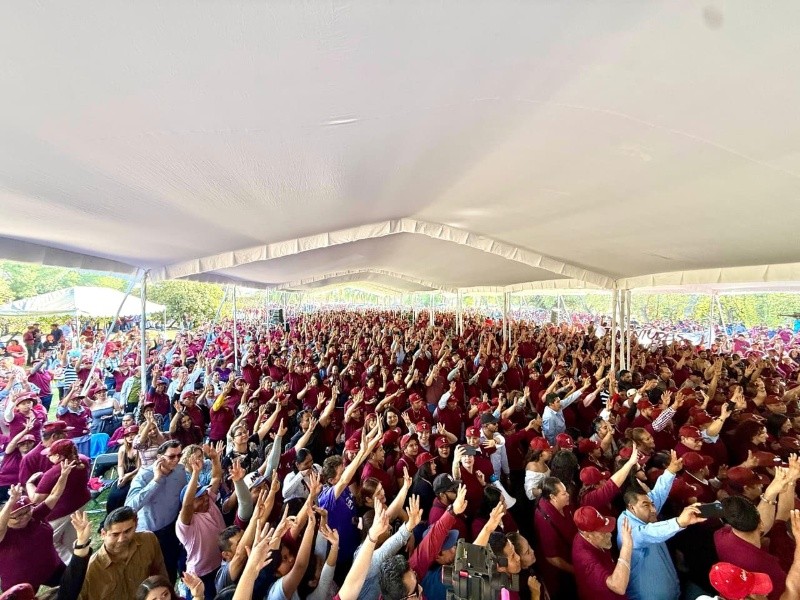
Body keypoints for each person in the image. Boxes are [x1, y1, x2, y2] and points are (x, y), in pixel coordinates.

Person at [618, 451, 707, 600]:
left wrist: (671, 471)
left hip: (672, 591)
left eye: (652, 504)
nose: (654, 509)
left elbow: (658, 494)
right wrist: (679, 522)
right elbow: (650, 532)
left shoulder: (644, 510)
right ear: (631, 508)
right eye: (646, 505)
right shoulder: (628, 528)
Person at [0, 468, 73, 593]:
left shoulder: (36, 515)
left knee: (74, 587)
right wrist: (11, 501)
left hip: (52, 568)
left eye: (26, 511)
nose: (24, 517)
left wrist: (63, 476)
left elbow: (54, 495)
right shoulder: (4, 533)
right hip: (19, 582)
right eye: (17, 516)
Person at [125, 439, 187, 584]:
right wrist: (156, 480)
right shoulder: (144, 475)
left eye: (179, 455)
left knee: (170, 570)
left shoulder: (180, 470)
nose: (176, 460)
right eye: (172, 456)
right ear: (159, 457)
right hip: (149, 533)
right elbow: (130, 506)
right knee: (150, 574)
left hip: (171, 529)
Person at [79, 506, 169, 600]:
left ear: (136, 525)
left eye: (127, 531)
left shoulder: (148, 540)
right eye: (115, 534)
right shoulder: (90, 568)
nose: (121, 539)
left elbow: (161, 576)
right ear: (103, 534)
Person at [176, 444, 224, 600]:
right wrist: (195, 473)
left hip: (221, 564)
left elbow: (216, 478)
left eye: (204, 494)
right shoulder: (186, 524)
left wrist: (215, 459)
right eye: (200, 498)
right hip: (201, 575)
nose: (205, 498)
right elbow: (187, 504)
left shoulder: (210, 501)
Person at [571, 506, 633, 599]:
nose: (609, 534)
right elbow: (618, 587)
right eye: (603, 533)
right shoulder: (585, 558)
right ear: (588, 535)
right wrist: (627, 546)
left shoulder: (587, 536)